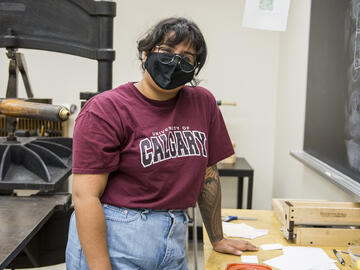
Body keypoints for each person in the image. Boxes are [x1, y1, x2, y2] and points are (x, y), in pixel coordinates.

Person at [65, 17, 258, 270]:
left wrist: (217, 238)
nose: (176, 61)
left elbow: (208, 175)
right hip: (115, 236)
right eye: (166, 51)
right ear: (146, 54)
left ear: (194, 68)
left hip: (174, 235)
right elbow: (85, 196)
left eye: (187, 57)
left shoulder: (203, 103)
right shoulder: (106, 109)